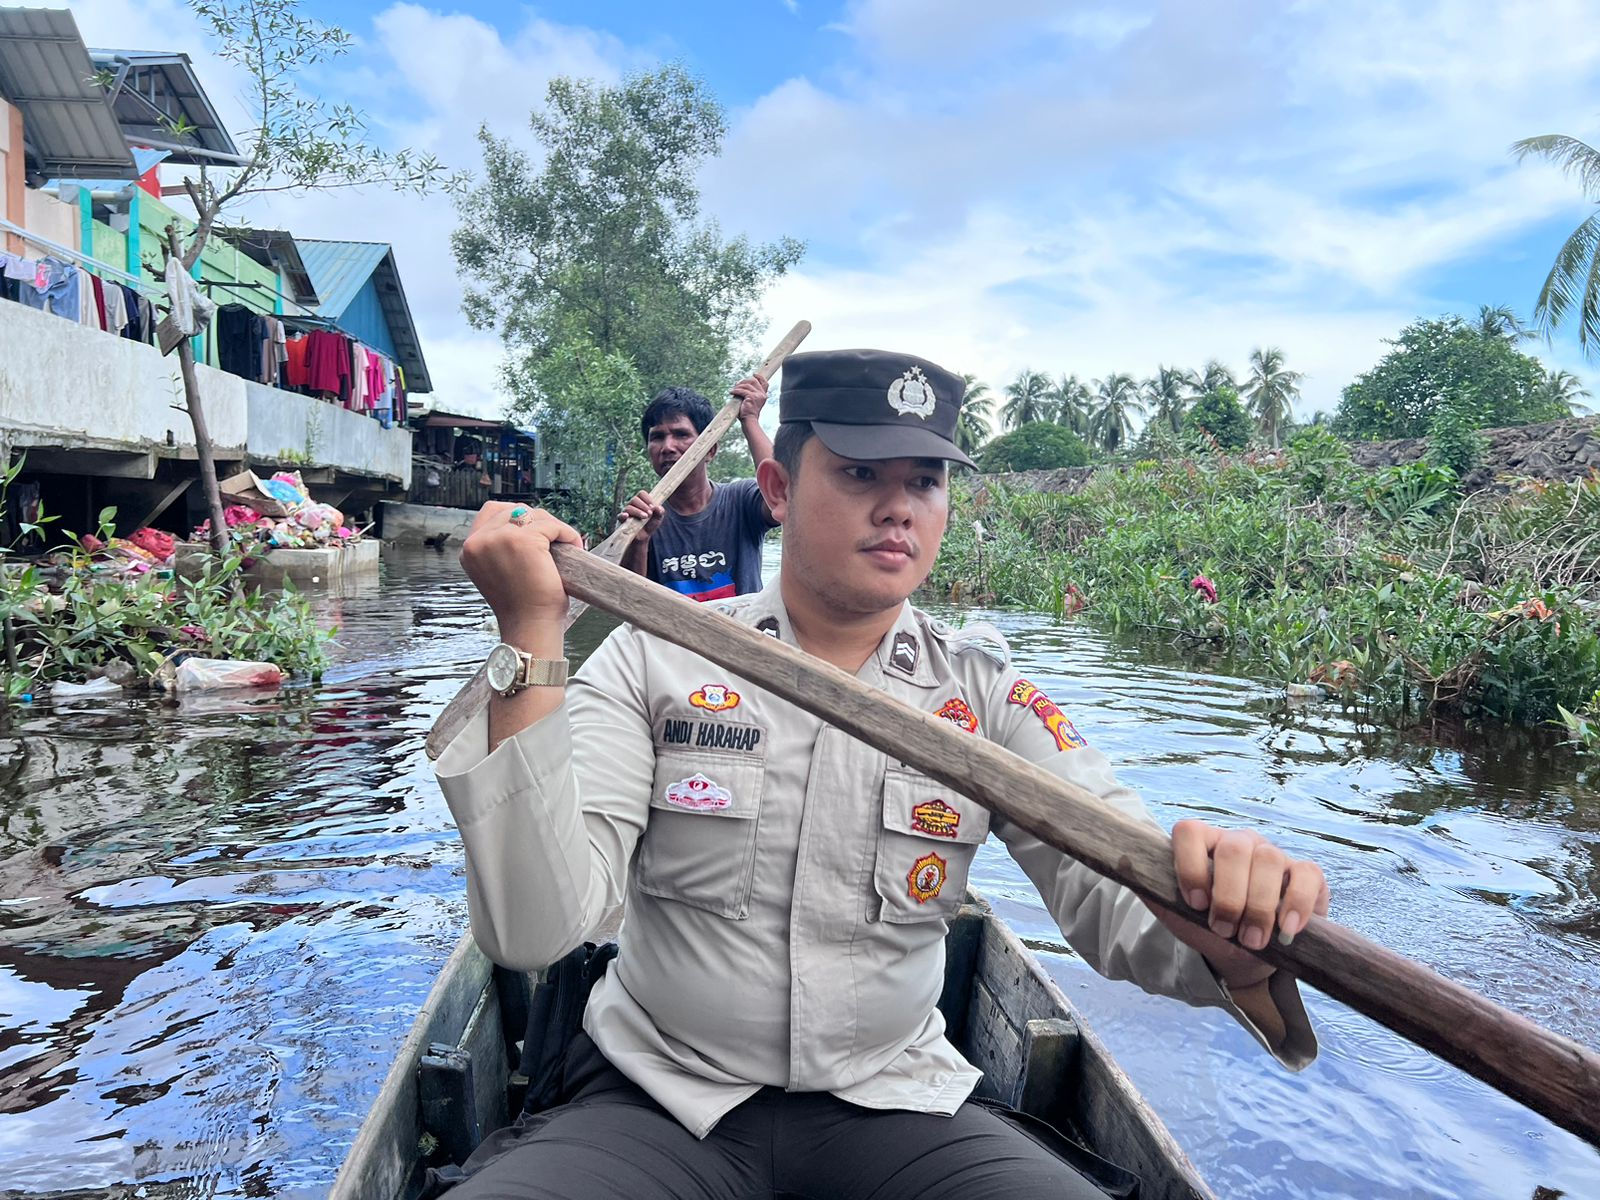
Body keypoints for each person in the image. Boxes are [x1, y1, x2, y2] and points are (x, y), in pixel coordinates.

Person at [440, 348, 1329, 1200]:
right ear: (780, 490)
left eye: (926, 482)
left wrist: (1227, 936)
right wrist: (530, 640)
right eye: (863, 475)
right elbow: (537, 930)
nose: (900, 507)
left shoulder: (984, 696)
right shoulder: (651, 660)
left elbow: (1113, 890)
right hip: (657, 1096)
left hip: (894, 1098)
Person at [618, 378, 779, 601]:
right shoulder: (642, 517)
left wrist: (750, 419)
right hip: (670, 635)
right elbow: (629, 603)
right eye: (657, 437)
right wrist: (639, 542)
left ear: (710, 451)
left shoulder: (741, 500)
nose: (667, 447)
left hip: (739, 633)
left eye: (681, 434)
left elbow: (784, 495)